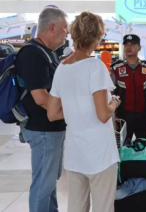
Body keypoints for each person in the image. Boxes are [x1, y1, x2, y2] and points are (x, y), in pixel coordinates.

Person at [47, 11, 120, 212]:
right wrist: (114, 102)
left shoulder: (62, 68)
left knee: (76, 207)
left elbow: (52, 114)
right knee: (103, 207)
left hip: (75, 153)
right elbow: (103, 114)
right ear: (97, 37)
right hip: (100, 153)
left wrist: (74, 109)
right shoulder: (95, 66)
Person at [16, 7, 68, 212]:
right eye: (65, 28)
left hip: (51, 128)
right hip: (43, 129)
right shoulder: (32, 54)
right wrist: (71, 112)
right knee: (43, 184)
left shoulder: (48, 53)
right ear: (52, 27)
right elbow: (41, 98)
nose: (67, 33)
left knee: (49, 182)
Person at [110, 34, 146, 143]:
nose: (129, 47)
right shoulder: (116, 68)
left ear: (139, 48)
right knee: (122, 147)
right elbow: (111, 93)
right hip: (123, 116)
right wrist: (112, 117)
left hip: (144, 115)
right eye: (126, 45)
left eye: (132, 44)